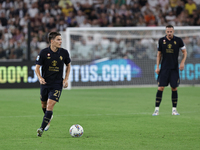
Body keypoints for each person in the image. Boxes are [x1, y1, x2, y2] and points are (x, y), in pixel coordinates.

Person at [35, 32, 71, 137]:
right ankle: (49, 118)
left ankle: (41, 128)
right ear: (52, 41)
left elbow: (68, 65)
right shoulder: (43, 52)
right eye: (58, 40)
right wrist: (40, 78)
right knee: (43, 105)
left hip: (57, 84)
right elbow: (37, 67)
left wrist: (66, 79)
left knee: (50, 105)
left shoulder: (64, 53)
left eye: (61, 39)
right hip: (45, 83)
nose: (61, 41)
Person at [152, 25, 187, 116]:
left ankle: (174, 110)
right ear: (166, 32)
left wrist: (182, 62)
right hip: (164, 68)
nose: (169, 33)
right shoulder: (161, 41)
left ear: (173, 31)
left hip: (174, 69)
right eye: (168, 31)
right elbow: (159, 54)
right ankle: (156, 110)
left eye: (171, 31)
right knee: (160, 88)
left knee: (174, 88)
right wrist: (157, 67)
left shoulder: (178, 40)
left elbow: (184, 52)